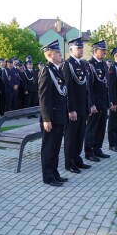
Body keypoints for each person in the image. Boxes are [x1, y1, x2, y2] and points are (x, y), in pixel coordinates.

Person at [38, 39, 68, 187]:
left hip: (59, 115)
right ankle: (48, 177)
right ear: (49, 54)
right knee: (49, 148)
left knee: (56, 147)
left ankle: (55, 173)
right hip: (51, 117)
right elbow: (44, 97)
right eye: (57, 52)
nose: (60, 54)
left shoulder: (56, 70)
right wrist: (46, 119)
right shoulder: (46, 71)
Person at [62, 37, 93, 174]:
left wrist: (88, 106)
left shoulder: (82, 64)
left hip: (83, 108)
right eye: (78, 48)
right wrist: (71, 109)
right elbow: (68, 89)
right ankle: (69, 162)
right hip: (74, 109)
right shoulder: (67, 65)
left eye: (82, 48)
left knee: (80, 135)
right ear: (71, 50)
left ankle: (77, 158)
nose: (81, 50)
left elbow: (85, 87)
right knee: (71, 136)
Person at [85, 40, 110, 162]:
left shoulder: (104, 64)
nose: (105, 52)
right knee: (92, 128)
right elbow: (88, 87)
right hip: (95, 103)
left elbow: (106, 85)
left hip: (103, 102)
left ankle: (97, 148)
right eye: (102, 50)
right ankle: (89, 152)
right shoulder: (89, 65)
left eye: (105, 50)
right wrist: (91, 104)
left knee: (101, 127)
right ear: (95, 50)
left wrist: (108, 100)